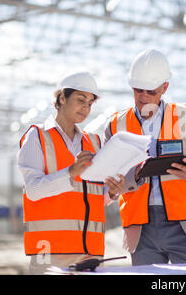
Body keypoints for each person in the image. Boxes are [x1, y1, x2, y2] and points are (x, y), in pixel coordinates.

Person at [104, 49, 186, 266]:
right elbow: (109, 182)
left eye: (151, 91)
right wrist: (133, 176)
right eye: (137, 90)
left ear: (165, 87)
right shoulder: (116, 125)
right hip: (141, 229)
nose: (143, 97)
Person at [17, 72, 126, 274]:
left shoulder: (94, 142)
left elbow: (90, 196)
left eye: (90, 103)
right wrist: (70, 172)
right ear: (61, 98)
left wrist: (111, 193)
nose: (86, 108)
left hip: (90, 252)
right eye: (80, 100)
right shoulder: (37, 137)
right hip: (50, 251)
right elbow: (33, 190)